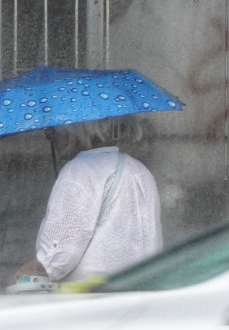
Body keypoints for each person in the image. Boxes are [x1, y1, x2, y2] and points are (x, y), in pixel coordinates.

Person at [14, 116, 162, 285]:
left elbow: (58, 257)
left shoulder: (79, 171)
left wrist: (29, 270)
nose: (52, 139)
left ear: (73, 131)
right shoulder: (139, 170)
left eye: (52, 131)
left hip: (92, 298)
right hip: (140, 289)